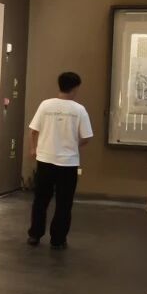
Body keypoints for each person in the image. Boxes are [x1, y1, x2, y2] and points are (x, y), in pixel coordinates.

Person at [26, 71, 93, 250]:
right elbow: (87, 137)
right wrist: (73, 144)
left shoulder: (45, 105)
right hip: (68, 163)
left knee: (40, 200)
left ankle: (34, 235)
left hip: (45, 159)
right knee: (64, 203)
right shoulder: (79, 110)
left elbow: (33, 131)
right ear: (75, 88)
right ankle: (58, 239)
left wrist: (33, 148)